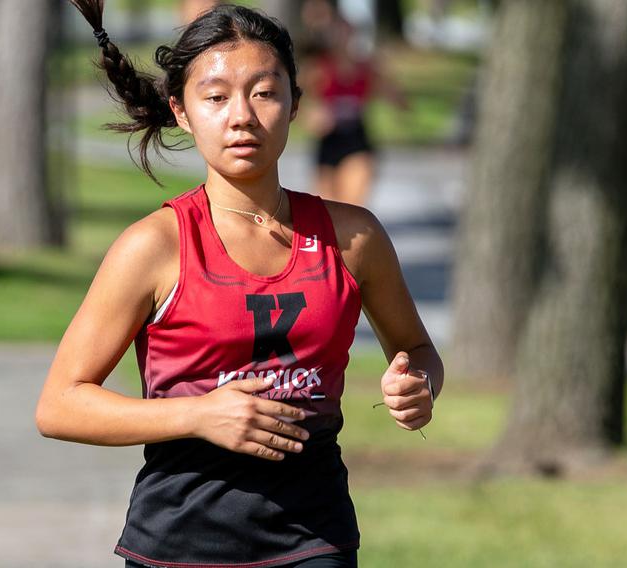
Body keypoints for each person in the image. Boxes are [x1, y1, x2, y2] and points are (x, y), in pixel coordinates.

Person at [36, 3, 442, 567]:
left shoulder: (353, 238)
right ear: (182, 110)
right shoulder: (154, 247)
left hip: (314, 539)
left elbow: (417, 350)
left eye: (264, 93)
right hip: (179, 545)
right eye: (216, 96)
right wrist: (197, 415)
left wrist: (417, 384)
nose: (241, 116)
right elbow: (60, 405)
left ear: (296, 104)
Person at [299, 0, 409, 207]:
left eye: (346, 31)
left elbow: (396, 96)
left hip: (357, 138)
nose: (341, 36)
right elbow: (298, 102)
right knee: (327, 209)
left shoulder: (366, 68)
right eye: (336, 31)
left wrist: (397, 100)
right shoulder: (318, 68)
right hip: (328, 141)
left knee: (352, 207)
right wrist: (312, 117)